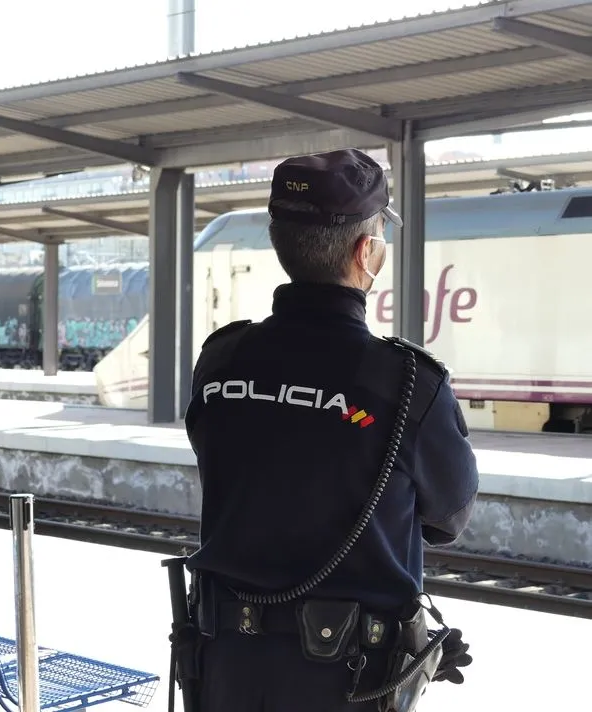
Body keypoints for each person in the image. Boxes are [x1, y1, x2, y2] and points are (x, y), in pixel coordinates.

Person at [176, 149, 479, 712]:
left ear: (279, 241)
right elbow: (448, 517)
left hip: (223, 670)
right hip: (349, 682)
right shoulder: (408, 382)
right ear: (367, 253)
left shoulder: (221, 360)